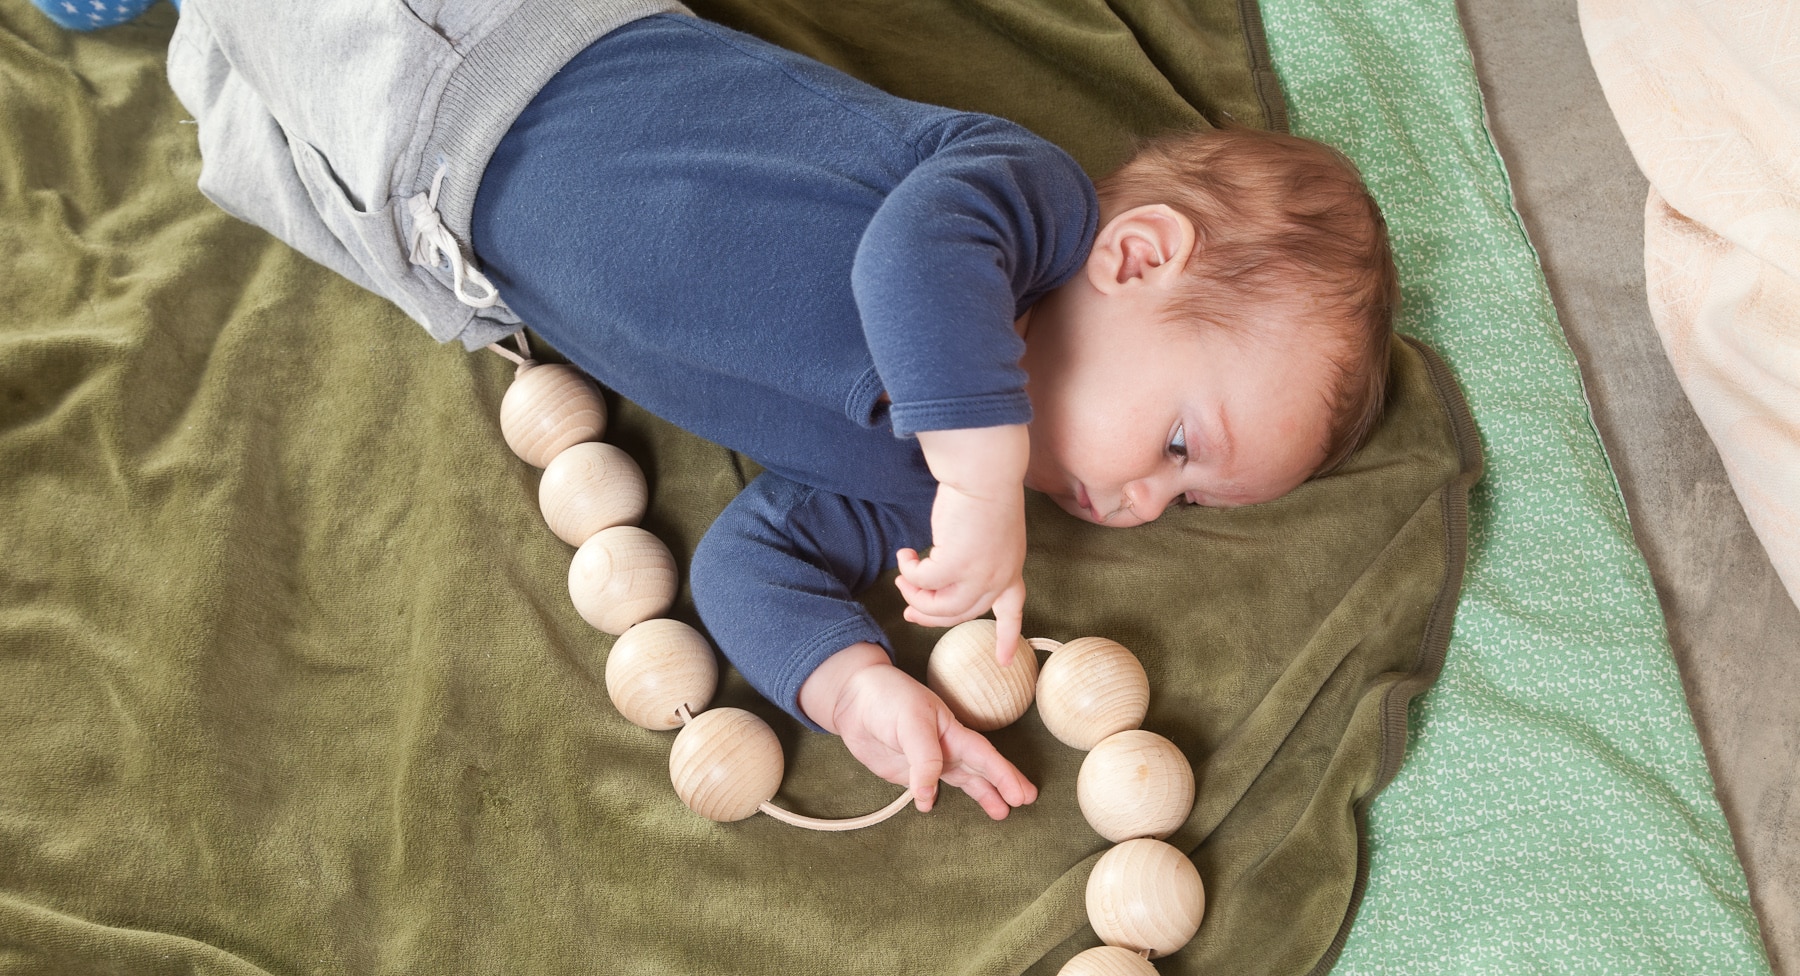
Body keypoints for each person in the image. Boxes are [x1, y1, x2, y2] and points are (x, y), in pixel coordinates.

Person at [160, 2, 1398, 821]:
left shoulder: (920, 497)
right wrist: (979, 470)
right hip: (485, 48)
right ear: (1134, 261)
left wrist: (855, 683)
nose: (1141, 502)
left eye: (1183, 503)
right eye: (1181, 447)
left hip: (427, 218)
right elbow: (907, 262)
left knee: (244, 128)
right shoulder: (1021, 207)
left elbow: (758, 556)